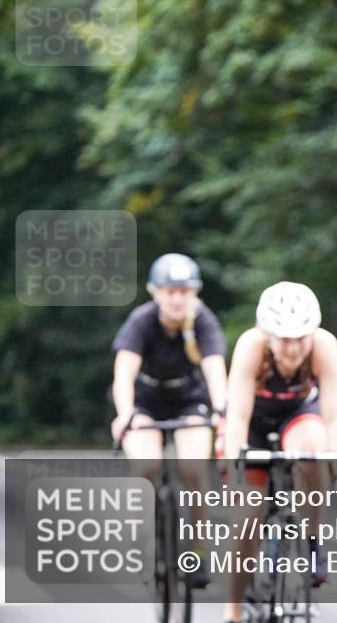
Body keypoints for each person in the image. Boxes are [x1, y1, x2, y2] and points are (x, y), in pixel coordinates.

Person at [221, 281, 337, 623]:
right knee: (249, 514)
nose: (293, 349)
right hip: (254, 422)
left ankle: (310, 539)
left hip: (298, 414)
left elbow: (335, 416)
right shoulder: (252, 346)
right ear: (267, 334)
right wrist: (233, 469)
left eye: (301, 337)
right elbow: (236, 417)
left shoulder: (324, 346)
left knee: (313, 449)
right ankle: (234, 607)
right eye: (284, 339)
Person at [110, 252, 228, 588]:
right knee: (146, 464)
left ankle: (199, 550)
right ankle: (145, 545)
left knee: (194, 469)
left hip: (188, 400)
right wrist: (125, 414)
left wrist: (222, 412)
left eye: (184, 291)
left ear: (195, 292)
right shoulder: (141, 322)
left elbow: (216, 372)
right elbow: (123, 374)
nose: (177, 298)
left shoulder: (203, 322)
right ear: (156, 292)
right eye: (169, 290)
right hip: (144, 401)